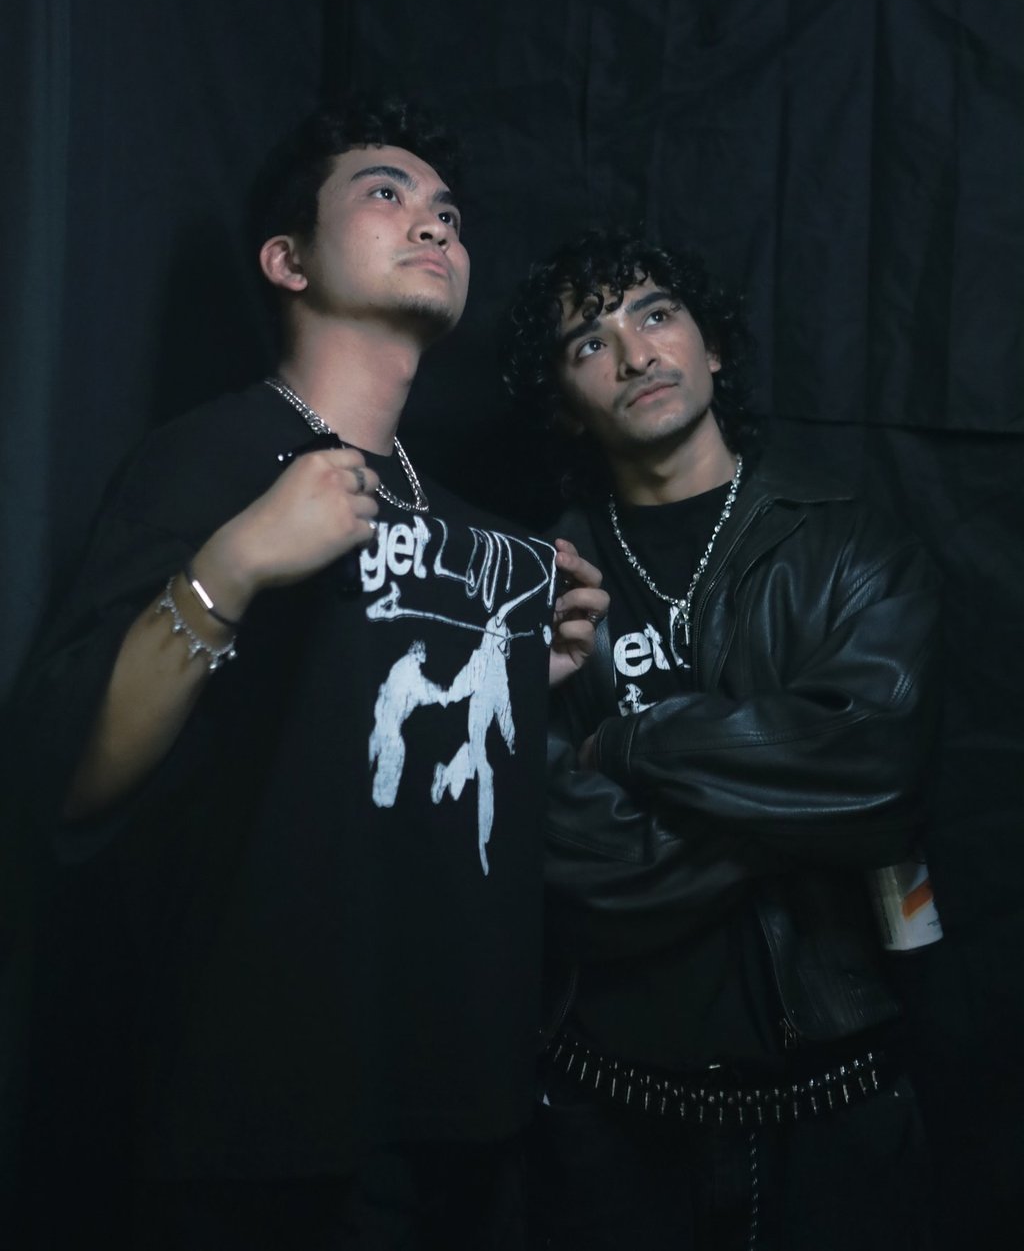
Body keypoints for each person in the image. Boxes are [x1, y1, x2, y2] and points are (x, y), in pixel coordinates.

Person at [20, 97, 606, 1250]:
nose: (434, 224)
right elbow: (66, 778)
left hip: (461, 1122)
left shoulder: (477, 530)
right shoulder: (208, 461)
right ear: (288, 260)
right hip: (266, 1134)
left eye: (448, 212)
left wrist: (511, 671)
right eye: (387, 193)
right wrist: (234, 561)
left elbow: (379, 762)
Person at [501, 230, 941, 1251]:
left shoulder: (848, 543)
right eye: (589, 341)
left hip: (834, 1107)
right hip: (608, 1117)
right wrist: (791, 813)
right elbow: (550, 855)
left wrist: (627, 747)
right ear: (564, 398)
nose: (635, 354)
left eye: (656, 314)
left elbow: (879, 777)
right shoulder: (532, 584)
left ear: (713, 345)